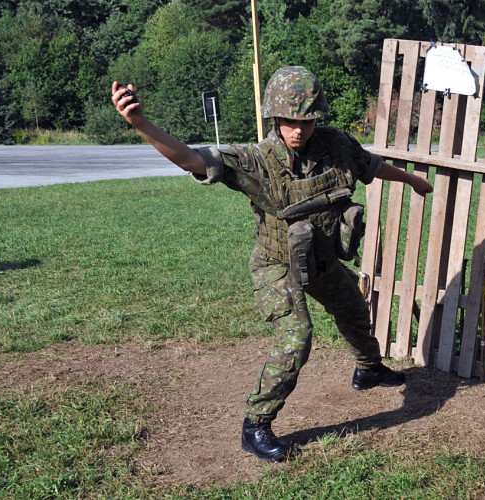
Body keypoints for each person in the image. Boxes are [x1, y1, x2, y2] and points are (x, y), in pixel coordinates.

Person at [111, 66, 433, 462]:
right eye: (289, 121)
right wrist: (141, 123)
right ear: (275, 118)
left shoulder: (336, 146)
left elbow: (371, 166)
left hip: (323, 260)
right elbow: (193, 159)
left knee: (352, 308)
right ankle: (256, 425)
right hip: (276, 263)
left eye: (306, 121)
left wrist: (412, 180)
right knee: (297, 337)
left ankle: (368, 370)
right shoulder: (256, 161)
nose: (298, 130)